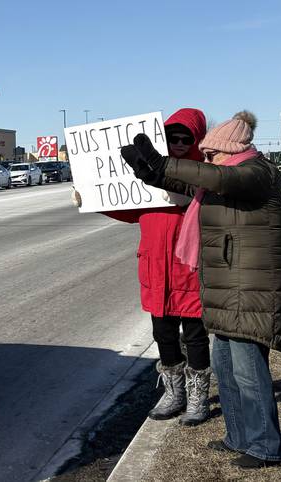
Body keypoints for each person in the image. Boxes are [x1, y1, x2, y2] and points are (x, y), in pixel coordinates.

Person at [121, 111, 281, 469]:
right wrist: (152, 173)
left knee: (249, 375)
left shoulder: (255, 173)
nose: (207, 158)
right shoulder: (228, 177)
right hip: (229, 290)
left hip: (250, 292)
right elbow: (192, 185)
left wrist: (163, 160)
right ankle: (238, 437)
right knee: (226, 370)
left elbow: (214, 176)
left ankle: (265, 446)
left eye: (212, 153)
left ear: (230, 150)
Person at [73, 108, 212, 426]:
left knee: (195, 336)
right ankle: (174, 393)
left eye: (185, 137)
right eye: (171, 136)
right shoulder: (148, 170)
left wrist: (192, 197)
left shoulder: (204, 171)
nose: (177, 142)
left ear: (196, 139)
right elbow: (130, 210)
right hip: (155, 267)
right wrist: (92, 202)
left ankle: (197, 397)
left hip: (188, 268)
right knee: (163, 334)